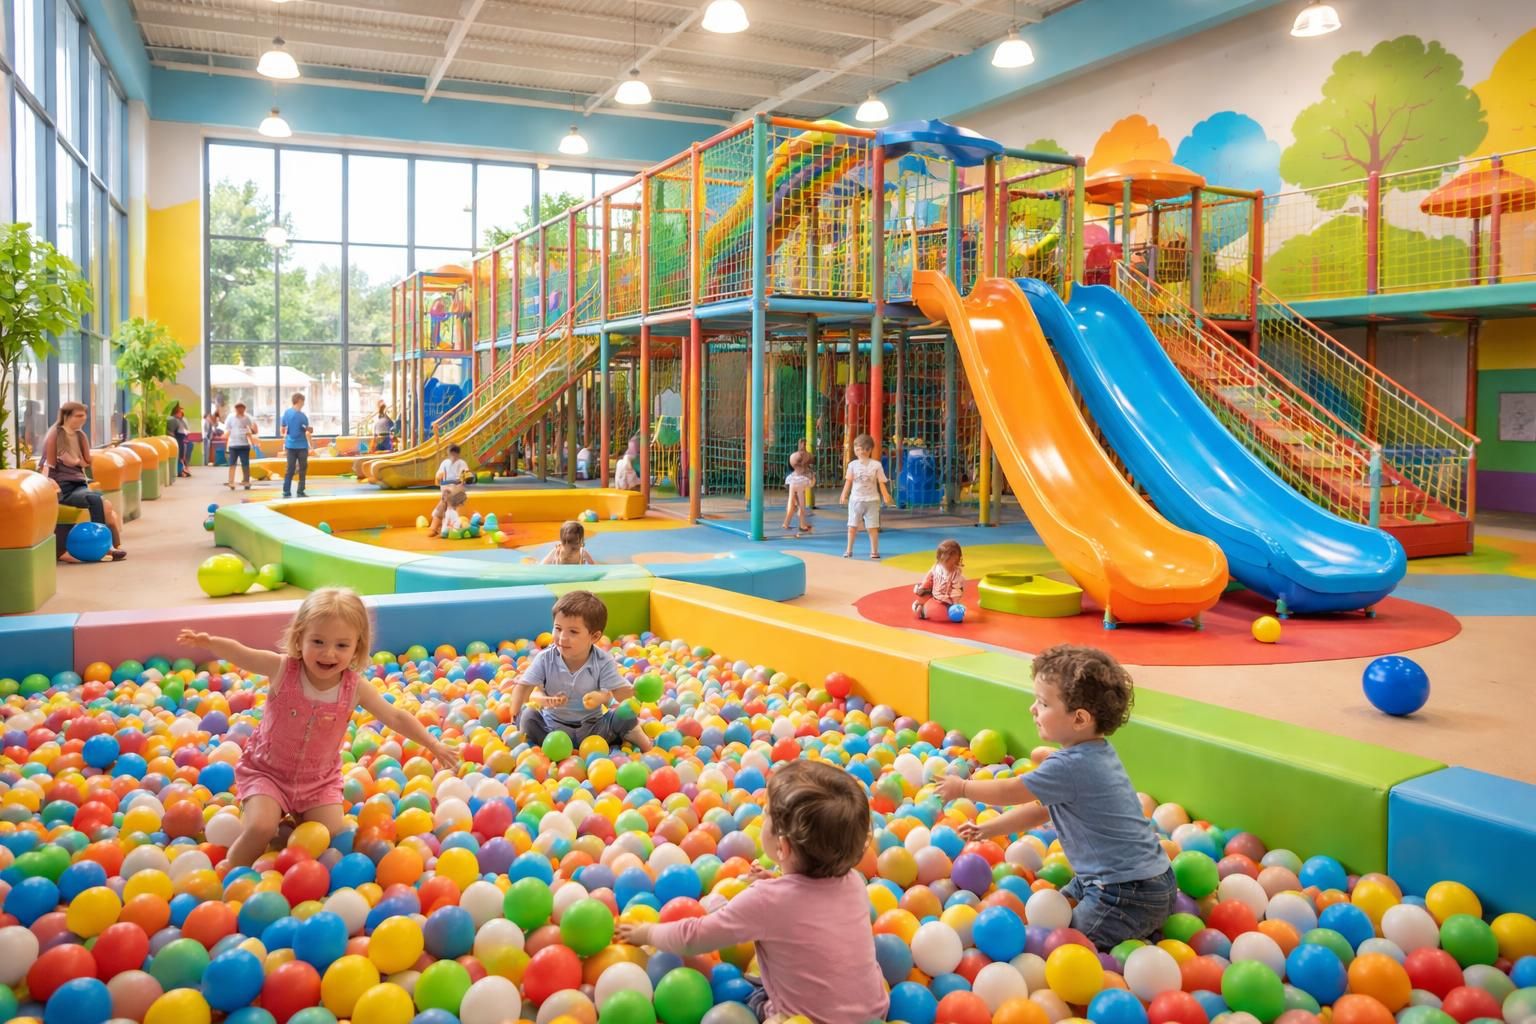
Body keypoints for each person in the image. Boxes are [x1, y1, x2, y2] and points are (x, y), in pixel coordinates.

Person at [176, 588, 459, 868]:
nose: (329, 653)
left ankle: (286, 827)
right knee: (261, 829)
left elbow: (395, 717)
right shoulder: (283, 669)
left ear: (357, 648)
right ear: (299, 639)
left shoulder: (354, 688)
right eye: (318, 641)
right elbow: (244, 655)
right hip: (268, 772)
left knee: (331, 835)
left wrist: (432, 743)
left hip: (318, 782)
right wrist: (211, 642)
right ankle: (230, 872)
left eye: (341, 645)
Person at [937, 645, 1176, 950]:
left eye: (1043, 703)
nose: (1032, 709)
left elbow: (1013, 791)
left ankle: (1127, 929)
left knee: (1060, 945)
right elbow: (1040, 811)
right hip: (1153, 881)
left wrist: (963, 788)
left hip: (1125, 893)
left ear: (1079, 719)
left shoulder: (1069, 767)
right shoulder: (1096, 754)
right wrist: (989, 830)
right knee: (1055, 907)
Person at [617, 760, 888, 1024]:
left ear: (782, 847)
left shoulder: (766, 900)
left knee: (745, 1002)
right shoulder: (853, 881)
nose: (761, 815)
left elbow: (695, 936)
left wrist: (647, 932)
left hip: (807, 1019)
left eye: (767, 813)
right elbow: (809, 903)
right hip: (873, 1011)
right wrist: (776, 880)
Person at [507, 590, 653, 753]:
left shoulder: (602, 661)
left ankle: (643, 742)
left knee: (626, 713)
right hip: (552, 731)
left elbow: (619, 694)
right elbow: (523, 688)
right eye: (558, 628)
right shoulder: (545, 659)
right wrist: (515, 717)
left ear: (594, 636)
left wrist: (636, 691)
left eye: (573, 632)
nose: (562, 637)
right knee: (527, 716)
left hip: (595, 732)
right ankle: (532, 747)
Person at [41, 401, 126, 561]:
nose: (83, 418)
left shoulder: (80, 436)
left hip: (80, 484)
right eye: (78, 415)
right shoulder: (56, 435)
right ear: (66, 416)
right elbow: (48, 464)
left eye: (84, 415)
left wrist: (76, 461)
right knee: (95, 499)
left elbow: (87, 461)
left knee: (106, 508)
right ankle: (106, 546)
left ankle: (114, 545)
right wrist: (49, 484)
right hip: (64, 487)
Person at [840, 432, 892, 560]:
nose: (861, 452)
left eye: (863, 449)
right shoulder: (852, 465)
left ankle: (874, 551)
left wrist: (885, 495)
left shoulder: (876, 465)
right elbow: (849, 480)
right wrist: (844, 494)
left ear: (869, 450)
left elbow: (881, 482)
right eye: (857, 449)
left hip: (872, 500)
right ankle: (849, 550)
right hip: (856, 500)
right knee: (852, 526)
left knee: (872, 527)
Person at [913, 539, 966, 620]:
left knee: (946, 612)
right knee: (923, 594)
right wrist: (922, 588)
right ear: (941, 560)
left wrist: (955, 604)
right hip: (934, 593)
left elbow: (956, 590)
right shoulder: (937, 567)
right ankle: (920, 606)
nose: (951, 565)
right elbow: (928, 578)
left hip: (945, 598)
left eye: (954, 562)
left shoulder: (955, 573)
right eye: (948, 562)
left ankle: (923, 610)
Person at [280, 393, 312, 499]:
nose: (303, 403)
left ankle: (299, 490)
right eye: (302, 401)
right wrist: (285, 438)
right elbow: (283, 427)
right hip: (292, 445)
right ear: (298, 400)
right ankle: (287, 490)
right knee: (291, 468)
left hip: (301, 445)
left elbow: (306, 429)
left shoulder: (302, 416)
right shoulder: (289, 413)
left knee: (301, 468)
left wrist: (308, 430)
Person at [224, 401, 258, 490]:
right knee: (232, 464)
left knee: (245, 464)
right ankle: (231, 482)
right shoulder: (230, 418)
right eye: (238, 409)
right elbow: (228, 430)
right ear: (235, 409)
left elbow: (249, 431)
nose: (240, 410)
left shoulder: (247, 418)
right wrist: (226, 442)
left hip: (244, 445)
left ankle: (246, 481)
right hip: (233, 445)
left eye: (242, 409)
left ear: (244, 409)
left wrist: (252, 442)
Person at [782, 448, 815, 536]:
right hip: (800, 493)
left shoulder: (790, 476)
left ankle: (786, 523)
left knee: (791, 508)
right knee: (802, 508)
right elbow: (810, 485)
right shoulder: (804, 478)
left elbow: (787, 484)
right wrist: (813, 479)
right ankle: (802, 525)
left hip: (792, 493)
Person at [167, 404, 193, 478]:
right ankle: (180, 469)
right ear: (175, 412)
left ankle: (185, 467)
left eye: (182, 412)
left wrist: (182, 419)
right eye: (180, 412)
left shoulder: (181, 420)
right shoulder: (172, 420)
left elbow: (186, 429)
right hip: (176, 439)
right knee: (182, 448)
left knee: (189, 445)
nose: (181, 413)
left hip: (182, 438)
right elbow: (171, 431)